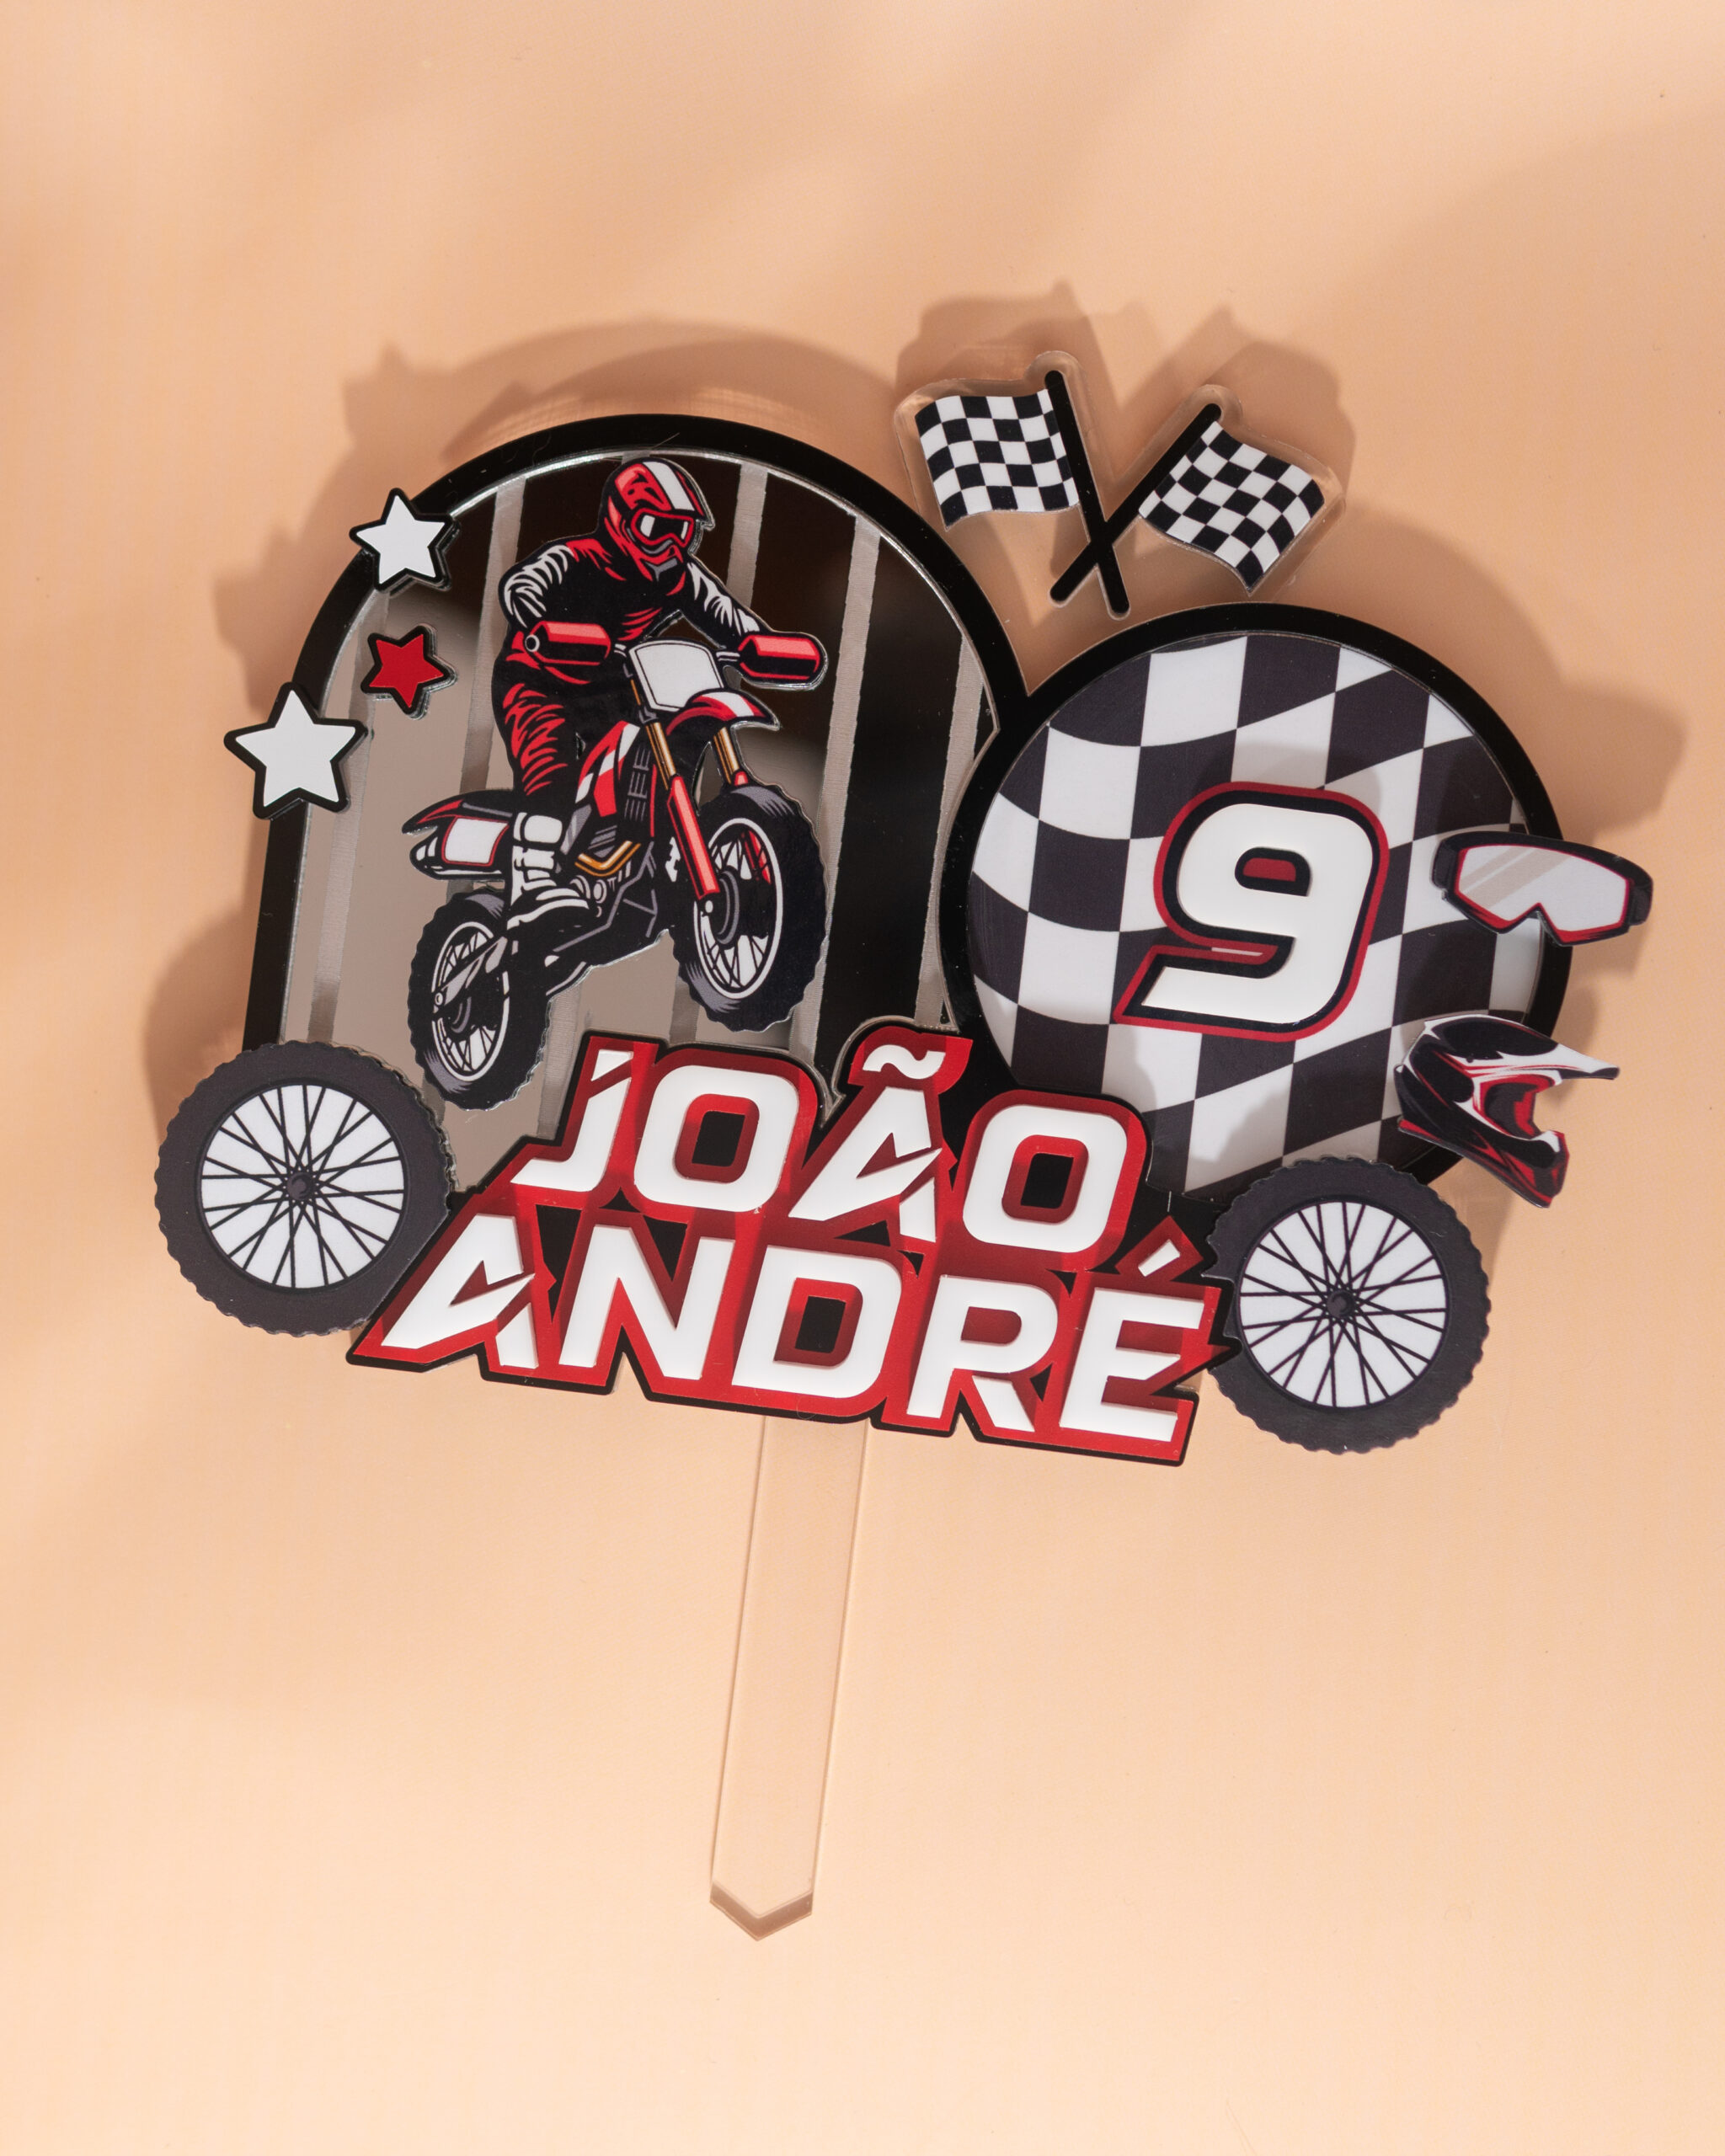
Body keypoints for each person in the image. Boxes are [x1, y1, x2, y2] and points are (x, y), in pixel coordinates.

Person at [491, 458, 766, 927]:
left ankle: (628, 854)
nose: (670, 546)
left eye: (682, 532)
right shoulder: (576, 557)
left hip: (614, 680)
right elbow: (524, 584)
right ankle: (532, 880)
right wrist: (539, 621)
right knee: (550, 765)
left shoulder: (680, 575)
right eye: (655, 528)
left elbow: (725, 614)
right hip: (538, 678)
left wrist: (759, 644)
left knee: (647, 755)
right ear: (621, 521)